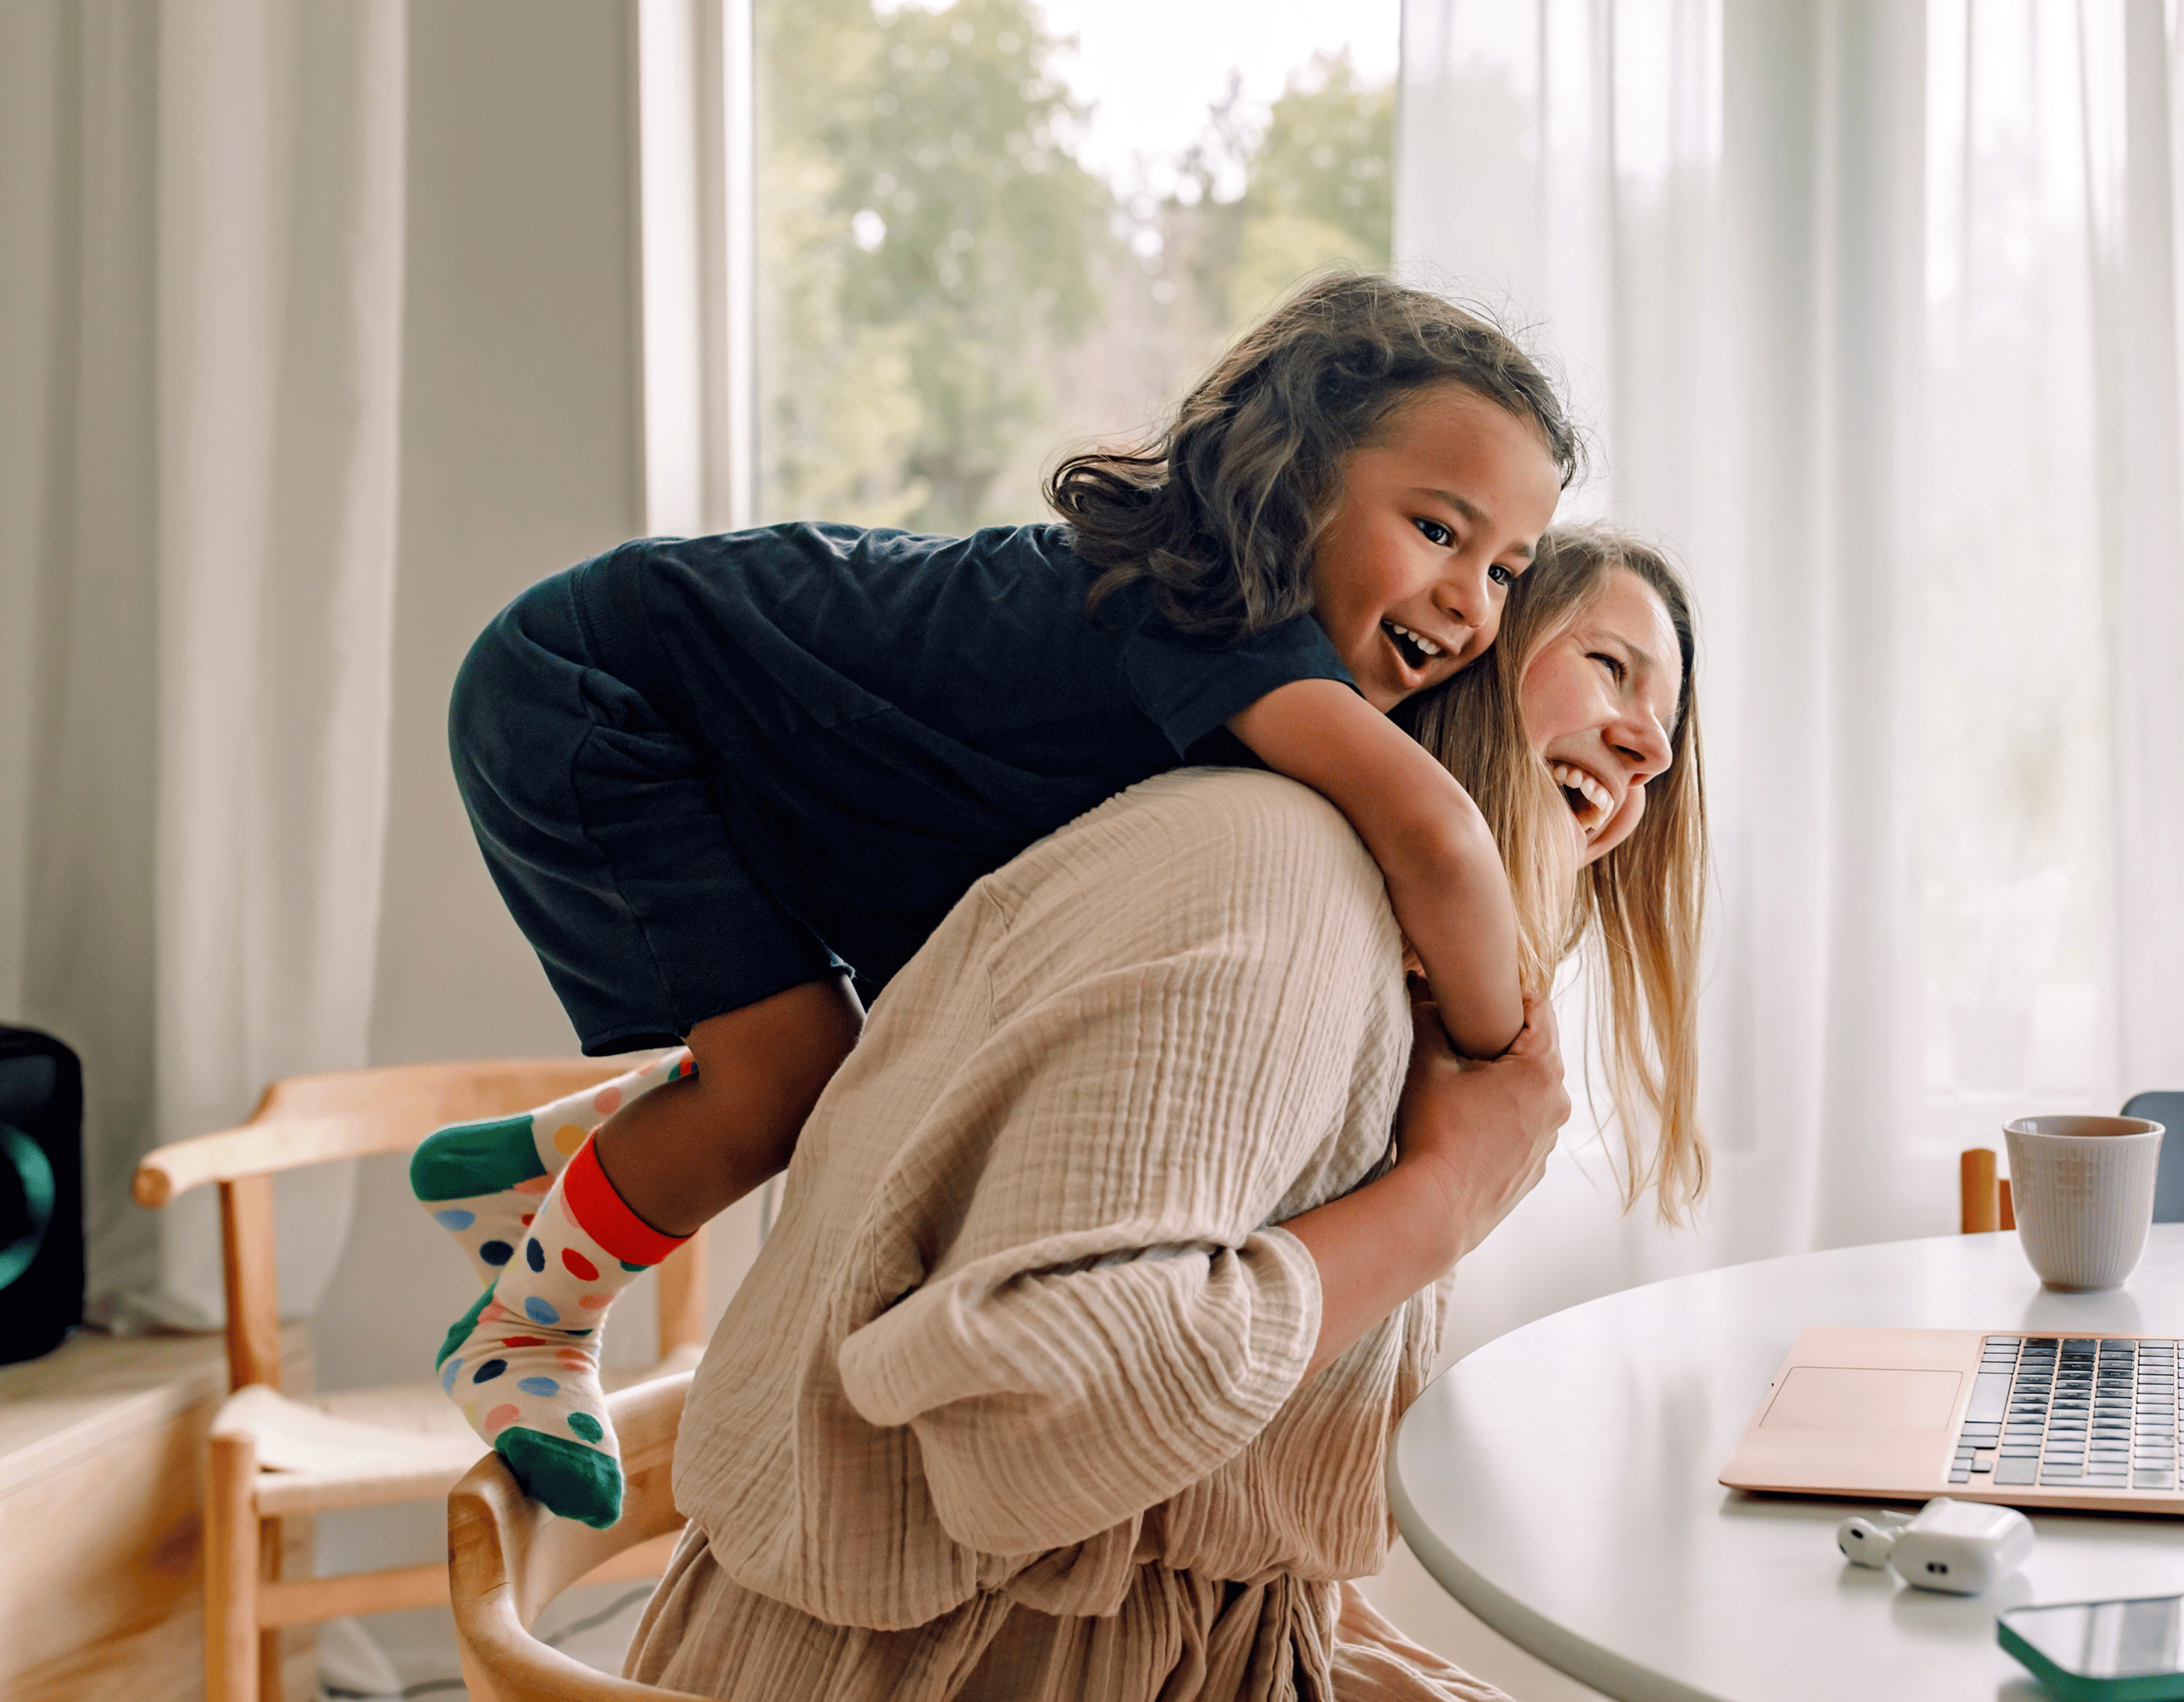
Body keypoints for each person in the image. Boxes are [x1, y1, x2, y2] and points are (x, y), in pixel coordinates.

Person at [408, 273, 1579, 1526]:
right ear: (1294, 485)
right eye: (1440, 533)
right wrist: (1504, 1066)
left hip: (710, 718)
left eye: (1510, 570)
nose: (1471, 604)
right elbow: (1440, 838)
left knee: (848, 1056)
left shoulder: (1231, 664)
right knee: (786, 1083)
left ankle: (542, 1175)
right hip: (597, 689)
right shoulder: (1212, 612)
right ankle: (525, 1333)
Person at [620, 528, 1707, 1702]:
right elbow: (1034, 1422)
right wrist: (1443, 1197)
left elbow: (1196, 1482)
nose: (1646, 749)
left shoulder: (1371, 944)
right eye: (1610, 666)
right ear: (1463, 654)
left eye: (1662, 743)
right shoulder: (1282, 878)